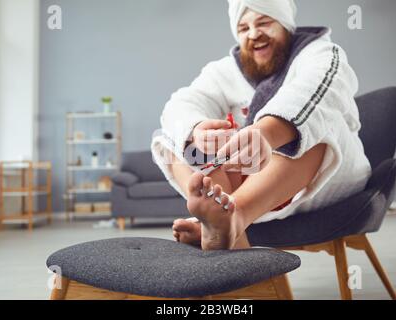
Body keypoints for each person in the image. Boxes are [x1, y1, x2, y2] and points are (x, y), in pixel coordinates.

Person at [151, 0, 371, 250]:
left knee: (313, 124)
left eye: (264, 22)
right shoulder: (223, 72)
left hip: (325, 183)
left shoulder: (321, 53)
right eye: (244, 28)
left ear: (285, 25)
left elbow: (315, 90)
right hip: (250, 184)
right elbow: (183, 103)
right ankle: (223, 221)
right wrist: (198, 129)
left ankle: (236, 216)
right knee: (171, 137)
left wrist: (266, 133)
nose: (254, 34)